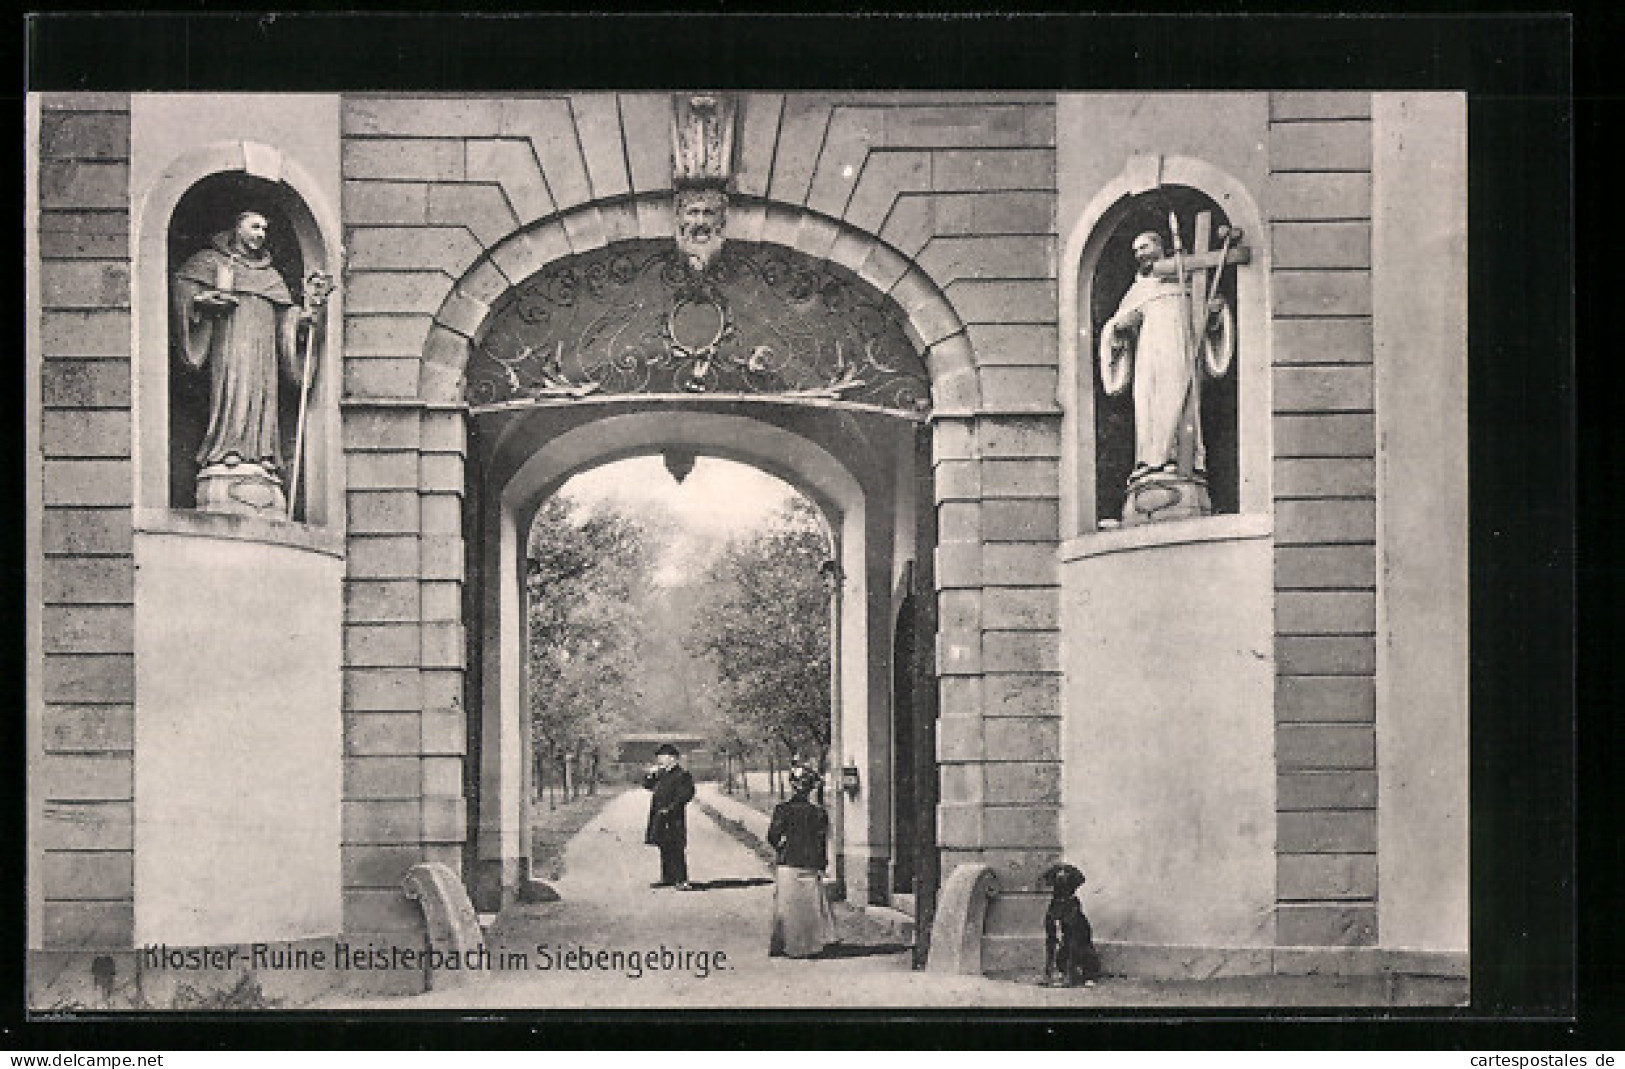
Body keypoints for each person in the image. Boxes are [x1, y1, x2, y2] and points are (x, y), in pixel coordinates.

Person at [171, 210, 314, 497]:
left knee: (262, 396)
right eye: (254, 227)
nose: (260, 234)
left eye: (264, 229)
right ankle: (227, 449)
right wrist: (202, 300)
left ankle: (263, 455)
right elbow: (183, 289)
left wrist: (301, 319)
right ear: (237, 228)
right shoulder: (211, 262)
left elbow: (285, 316)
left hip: (264, 350)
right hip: (231, 341)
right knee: (232, 392)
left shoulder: (270, 275)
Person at [1099, 230, 1232, 484]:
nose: (1139, 254)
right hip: (1148, 355)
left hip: (1178, 349)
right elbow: (1116, 326)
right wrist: (1118, 328)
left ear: (1160, 246)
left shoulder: (1187, 279)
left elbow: (1208, 319)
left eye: (1144, 247)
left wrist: (1215, 313)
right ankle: (1148, 460)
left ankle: (1178, 458)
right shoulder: (1139, 288)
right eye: (1136, 251)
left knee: (1176, 397)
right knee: (1147, 402)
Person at [766, 765, 838, 958]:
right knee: (810, 906)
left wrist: (782, 848)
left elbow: (773, 836)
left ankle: (785, 944)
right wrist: (822, 864)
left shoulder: (782, 810)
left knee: (786, 906)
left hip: (788, 862)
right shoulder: (819, 813)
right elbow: (821, 842)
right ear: (811, 788)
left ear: (792, 786)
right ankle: (810, 945)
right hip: (810, 864)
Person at [642, 743, 696, 890]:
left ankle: (681, 880)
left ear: (672, 758)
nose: (659, 759)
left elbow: (686, 794)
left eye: (662, 756)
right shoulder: (661, 773)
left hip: (674, 816)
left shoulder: (682, 774)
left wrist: (671, 809)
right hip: (659, 815)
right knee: (663, 845)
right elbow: (647, 785)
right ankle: (668, 877)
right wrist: (650, 774)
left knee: (676, 846)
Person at [1039, 862, 1100, 988]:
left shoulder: (1074, 909)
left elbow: (1076, 944)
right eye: (1058, 871)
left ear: (1073, 880)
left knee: (1082, 948)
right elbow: (1051, 941)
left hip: (1080, 953)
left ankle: (1084, 975)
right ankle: (1049, 974)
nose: (1061, 875)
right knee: (1051, 941)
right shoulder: (1052, 909)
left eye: (1066, 872)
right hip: (1064, 951)